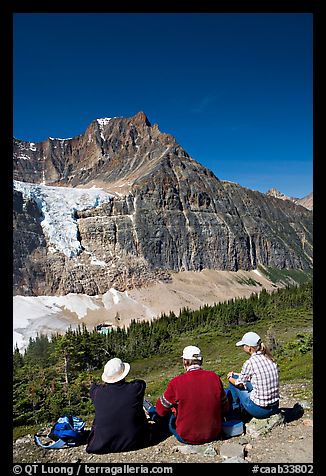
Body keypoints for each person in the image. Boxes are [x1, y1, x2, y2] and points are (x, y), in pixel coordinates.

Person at [147, 345, 229, 445]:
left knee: (157, 412)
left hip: (187, 436)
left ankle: (150, 411)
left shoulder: (176, 382)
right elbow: (225, 407)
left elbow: (161, 410)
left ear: (185, 362)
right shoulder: (214, 377)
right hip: (214, 433)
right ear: (201, 360)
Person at [86, 357, 152, 453]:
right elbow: (140, 382)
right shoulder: (136, 388)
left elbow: (93, 387)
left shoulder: (97, 392)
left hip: (100, 445)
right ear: (124, 374)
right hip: (138, 441)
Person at [226, 331, 280, 420]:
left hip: (260, 410)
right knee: (240, 379)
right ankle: (238, 411)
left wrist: (229, 377)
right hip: (275, 406)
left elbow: (239, 384)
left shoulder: (250, 363)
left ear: (249, 348)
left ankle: (236, 413)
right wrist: (237, 374)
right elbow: (257, 375)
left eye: (244, 345)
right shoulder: (269, 358)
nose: (243, 347)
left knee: (233, 382)